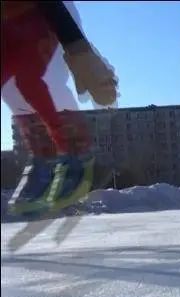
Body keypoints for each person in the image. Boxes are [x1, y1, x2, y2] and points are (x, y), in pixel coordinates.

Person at [4, 0, 118, 216]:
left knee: (32, 81)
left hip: (41, 19)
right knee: (12, 85)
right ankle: (44, 157)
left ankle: (71, 156)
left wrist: (82, 52)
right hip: (11, 23)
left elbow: (57, 12)